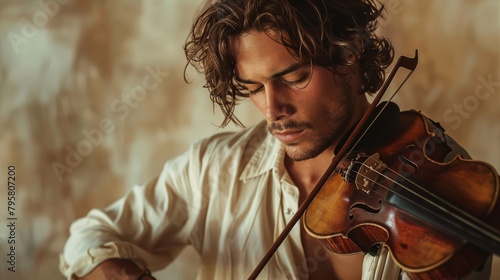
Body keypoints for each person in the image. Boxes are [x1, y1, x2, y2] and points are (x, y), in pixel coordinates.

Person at [59, 0, 494, 279]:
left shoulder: (440, 176)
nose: (273, 109)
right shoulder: (213, 170)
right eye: (253, 87)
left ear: (351, 52)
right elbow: (88, 238)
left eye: (295, 77)